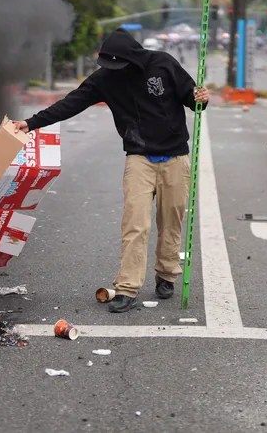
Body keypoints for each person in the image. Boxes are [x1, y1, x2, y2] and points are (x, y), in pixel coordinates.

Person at [11, 28, 209, 313]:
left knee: (171, 221)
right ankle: (127, 288)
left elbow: (193, 101)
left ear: (133, 58)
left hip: (176, 157)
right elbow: (71, 103)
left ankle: (166, 274)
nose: (115, 71)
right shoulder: (105, 78)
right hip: (139, 158)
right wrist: (30, 123)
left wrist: (202, 98)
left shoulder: (163, 64)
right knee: (135, 224)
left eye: (119, 65)